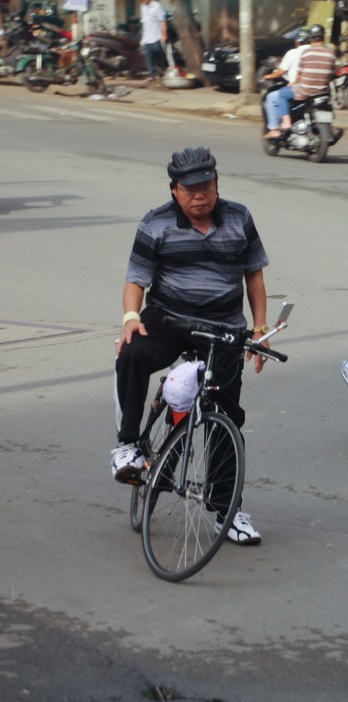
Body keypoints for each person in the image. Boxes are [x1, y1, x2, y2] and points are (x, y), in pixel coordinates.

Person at [112, 147, 271, 545]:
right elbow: (136, 281)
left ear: (217, 185)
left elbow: (253, 275)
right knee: (132, 353)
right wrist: (131, 317)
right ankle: (128, 445)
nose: (201, 195)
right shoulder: (156, 223)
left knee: (227, 418)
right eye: (191, 189)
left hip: (223, 328)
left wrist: (260, 326)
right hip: (169, 320)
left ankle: (225, 510)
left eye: (208, 186)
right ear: (175, 190)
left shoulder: (239, 218)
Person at [264, 24, 337, 138]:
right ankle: (330, 127)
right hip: (323, 92)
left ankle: (286, 123)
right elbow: (333, 73)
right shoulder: (331, 53)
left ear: (311, 39)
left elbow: (299, 74)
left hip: (305, 90)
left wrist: (293, 83)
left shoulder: (306, 53)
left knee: (282, 95)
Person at [261, 29, 310, 132]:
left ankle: (275, 128)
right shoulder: (315, 52)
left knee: (273, 97)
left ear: (297, 42)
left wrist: (267, 76)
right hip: (319, 88)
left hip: (299, 88)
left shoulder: (294, 52)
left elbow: (280, 72)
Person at [137, 0, 167, 81]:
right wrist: (143, 37)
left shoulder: (157, 6)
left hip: (157, 36)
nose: (143, 0)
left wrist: (164, 35)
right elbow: (144, 23)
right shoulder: (143, 7)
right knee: (148, 57)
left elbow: (163, 21)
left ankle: (164, 72)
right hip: (147, 37)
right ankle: (152, 75)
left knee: (160, 56)